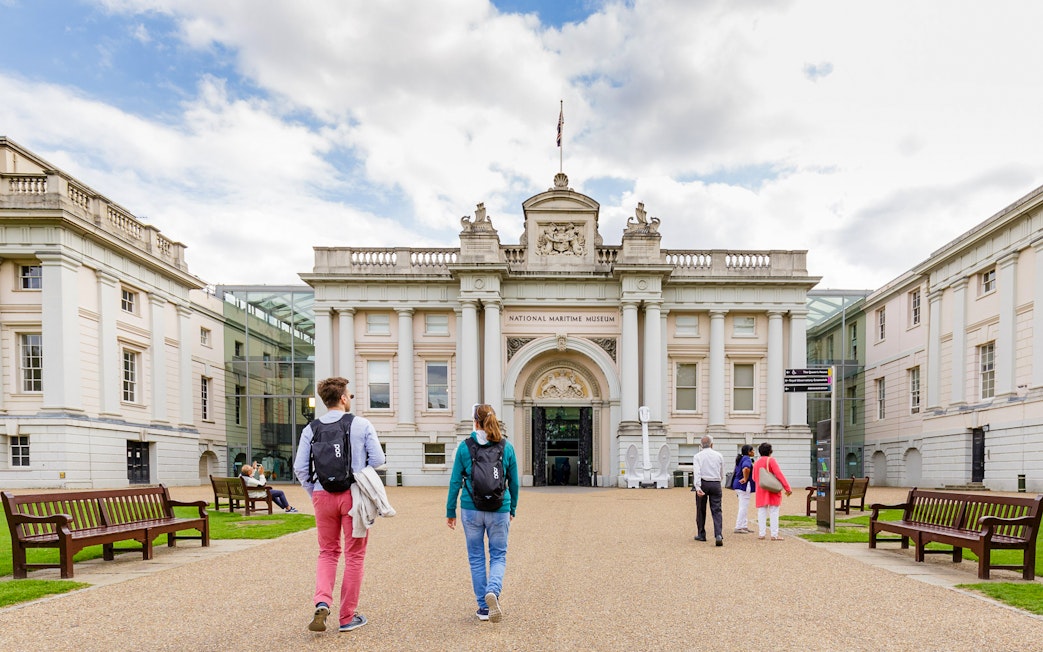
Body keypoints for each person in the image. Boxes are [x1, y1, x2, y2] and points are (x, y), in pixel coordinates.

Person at [293, 377, 385, 634]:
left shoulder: (311, 429)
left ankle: (322, 601)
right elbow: (378, 459)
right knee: (354, 556)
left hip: (323, 495)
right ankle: (347, 617)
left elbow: (300, 468)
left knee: (328, 552)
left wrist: (315, 493)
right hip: (353, 495)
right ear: (343, 398)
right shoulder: (361, 424)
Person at [446, 404, 520, 622]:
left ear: (474, 422)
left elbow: (454, 482)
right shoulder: (506, 447)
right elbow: (513, 482)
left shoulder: (464, 447)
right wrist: (512, 507)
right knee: (498, 555)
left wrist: (450, 511)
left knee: (476, 557)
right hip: (499, 508)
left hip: (471, 508)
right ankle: (493, 591)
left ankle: (483, 608)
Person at [753, 442, 792, 541]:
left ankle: (762, 534)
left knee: (761, 511)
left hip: (761, 489)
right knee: (774, 512)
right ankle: (774, 534)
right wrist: (787, 488)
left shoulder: (756, 463)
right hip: (772, 489)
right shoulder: (771, 460)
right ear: (770, 451)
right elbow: (779, 474)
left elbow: (754, 478)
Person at [692, 434, 725, 546]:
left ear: (701, 445)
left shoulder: (697, 456)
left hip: (703, 482)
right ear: (712, 444)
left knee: (701, 510)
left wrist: (697, 487)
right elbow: (722, 471)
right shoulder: (719, 455)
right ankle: (718, 534)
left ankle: (701, 534)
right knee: (717, 510)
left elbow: (697, 472)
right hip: (715, 483)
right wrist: (719, 480)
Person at [731, 445, 755, 533]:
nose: (753, 452)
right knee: (743, 506)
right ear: (749, 452)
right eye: (752, 450)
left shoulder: (741, 458)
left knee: (743, 505)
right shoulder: (747, 459)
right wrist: (745, 478)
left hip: (737, 484)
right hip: (743, 485)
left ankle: (743, 525)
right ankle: (738, 526)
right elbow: (746, 468)